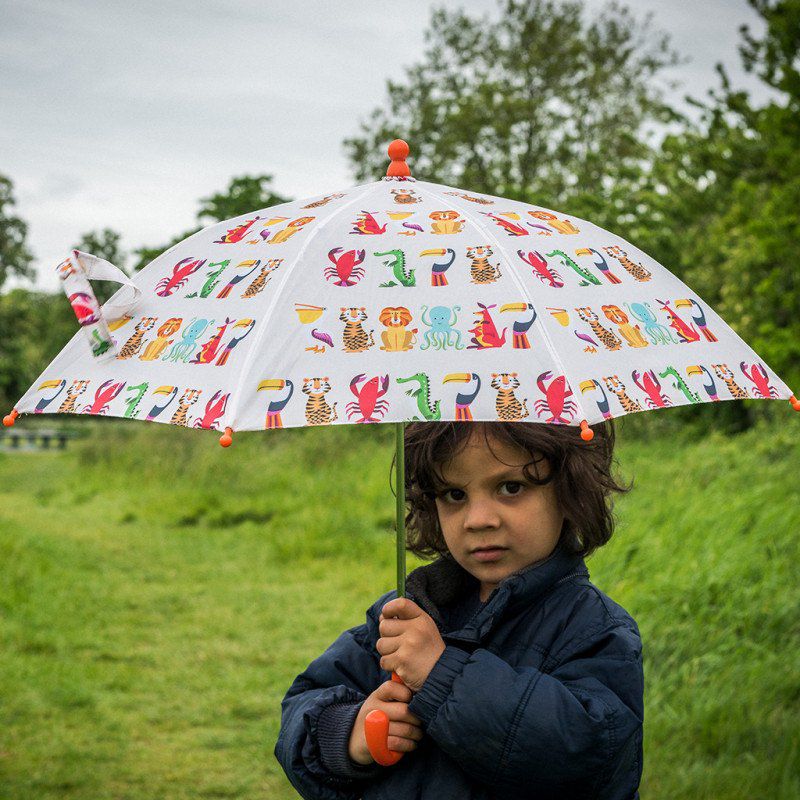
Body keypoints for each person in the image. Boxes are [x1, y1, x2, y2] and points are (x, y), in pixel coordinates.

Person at [274, 420, 643, 799]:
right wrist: (350, 733)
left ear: (568, 491)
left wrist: (440, 674)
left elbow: (584, 755)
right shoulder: (406, 613)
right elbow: (303, 706)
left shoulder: (594, 629)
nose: (478, 520)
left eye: (511, 487)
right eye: (453, 494)